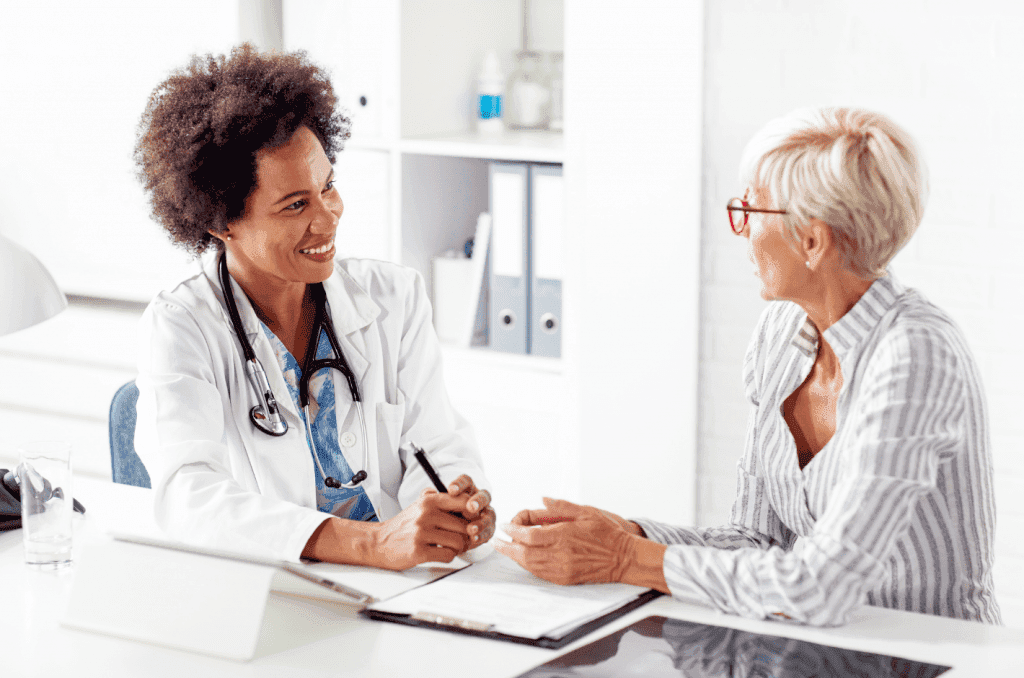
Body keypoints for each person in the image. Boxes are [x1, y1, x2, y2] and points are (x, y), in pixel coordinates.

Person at [496, 108, 1000, 626]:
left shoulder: (917, 355)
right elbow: (757, 542)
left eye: (750, 211)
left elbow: (821, 588)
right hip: (821, 653)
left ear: (812, 241)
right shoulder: (781, 334)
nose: (740, 231)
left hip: (930, 657)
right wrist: (628, 533)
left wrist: (624, 558)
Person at [132, 44, 495, 568]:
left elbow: (437, 443)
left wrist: (456, 506)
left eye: (328, 188)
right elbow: (187, 496)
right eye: (295, 205)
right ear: (221, 222)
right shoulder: (182, 326)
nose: (327, 219)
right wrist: (370, 544)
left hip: (406, 584)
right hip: (280, 588)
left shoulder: (394, 299)